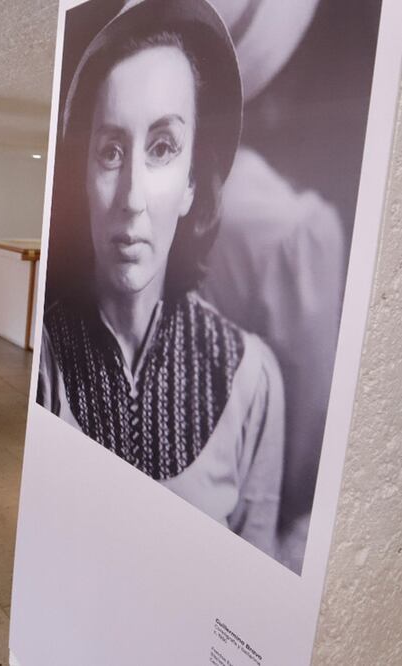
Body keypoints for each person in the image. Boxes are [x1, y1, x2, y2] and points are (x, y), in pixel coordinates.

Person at [36, 0, 286, 563]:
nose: (131, 199)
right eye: (110, 152)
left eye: (162, 148)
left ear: (194, 181)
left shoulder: (249, 378)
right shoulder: (46, 358)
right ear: (81, 174)